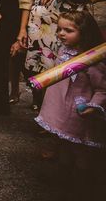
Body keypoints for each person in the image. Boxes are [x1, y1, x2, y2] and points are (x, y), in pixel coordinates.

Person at [35, 11, 105, 198]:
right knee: (64, 144)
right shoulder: (64, 51)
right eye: (59, 29)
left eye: (69, 30)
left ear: (84, 32)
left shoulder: (92, 61)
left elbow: (102, 88)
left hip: (79, 112)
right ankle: (63, 179)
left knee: (81, 152)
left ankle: (81, 186)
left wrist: (94, 105)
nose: (61, 34)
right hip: (63, 110)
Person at [6, 0, 34, 104]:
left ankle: (37, 95)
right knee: (14, 58)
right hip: (15, 20)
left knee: (31, 60)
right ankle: (14, 92)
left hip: (33, 20)